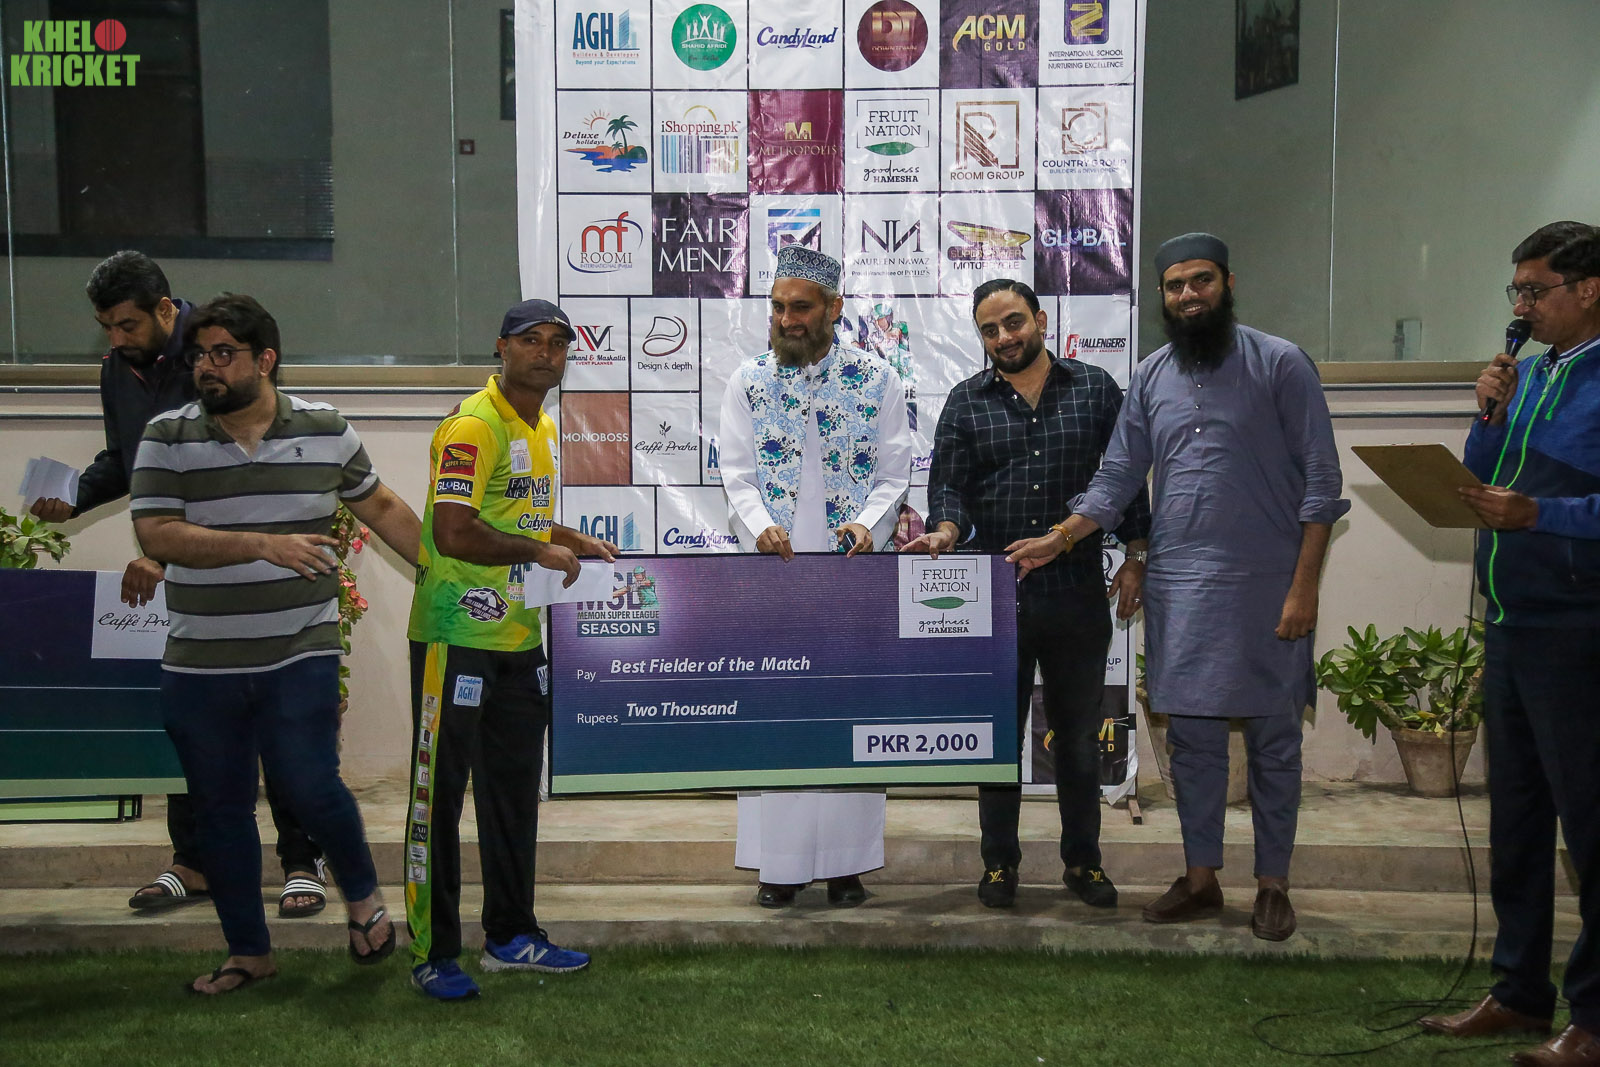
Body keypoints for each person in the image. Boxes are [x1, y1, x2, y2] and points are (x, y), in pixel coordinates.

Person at [1008, 233, 1347, 942]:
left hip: (1269, 586)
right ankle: (1200, 879)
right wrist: (1060, 537)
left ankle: (1273, 883)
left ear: (1228, 283)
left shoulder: (1281, 362)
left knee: (1274, 740)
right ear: (1161, 296)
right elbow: (1117, 477)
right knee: (1192, 742)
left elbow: (1322, 484)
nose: (1188, 295)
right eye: (1174, 285)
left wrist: (1305, 588)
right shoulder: (1151, 376)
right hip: (1181, 586)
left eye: (1201, 281)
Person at [129, 293, 422, 994]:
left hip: (300, 649)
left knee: (311, 784)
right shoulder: (166, 435)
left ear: (265, 360)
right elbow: (158, 534)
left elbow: (382, 507)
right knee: (220, 807)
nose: (206, 366)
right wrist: (263, 544)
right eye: (198, 355)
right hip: (201, 662)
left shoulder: (326, 429)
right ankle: (248, 952)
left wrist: (447, 574)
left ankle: (363, 899)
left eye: (223, 353)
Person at [31, 251, 327, 919]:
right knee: (197, 721)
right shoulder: (117, 368)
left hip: (259, 567)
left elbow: (247, 464)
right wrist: (73, 497)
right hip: (185, 577)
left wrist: (167, 556)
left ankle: (301, 861)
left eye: (128, 324)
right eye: (107, 327)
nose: (116, 338)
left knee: (277, 720)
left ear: (166, 309)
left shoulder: (219, 350)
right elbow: (128, 462)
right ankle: (194, 862)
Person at [902, 278, 1151, 909]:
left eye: (1013, 322)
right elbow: (948, 487)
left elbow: (1124, 480)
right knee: (997, 738)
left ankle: (1083, 863)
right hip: (993, 598)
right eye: (989, 330)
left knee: (1078, 739)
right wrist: (945, 530)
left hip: (1076, 592)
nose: (1004, 337)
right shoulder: (965, 401)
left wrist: (1137, 555)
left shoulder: (1095, 388)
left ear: (1040, 321)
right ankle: (999, 865)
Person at [1423, 222, 1600, 1067]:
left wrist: (1542, 514)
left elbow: (1539, 505)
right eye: (1517, 291)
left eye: (1536, 290)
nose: (1521, 306)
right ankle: (1521, 991)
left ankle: (1594, 1016)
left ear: (1590, 288)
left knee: (1591, 827)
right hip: (1511, 621)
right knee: (1518, 821)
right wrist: (1487, 411)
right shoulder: (1528, 374)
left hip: (1580, 628)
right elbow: (1484, 475)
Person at [404, 298, 615, 1001]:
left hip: (520, 637)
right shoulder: (475, 424)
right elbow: (454, 529)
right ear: (502, 347)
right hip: (455, 637)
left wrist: (569, 537)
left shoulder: (542, 424)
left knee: (513, 795)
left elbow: (516, 514)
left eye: (557, 343)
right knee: (438, 798)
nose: (545, 353)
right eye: (531, 340)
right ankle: (433, 952)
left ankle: (512, 935)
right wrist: (537, 549)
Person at [718, 245, 913, 908]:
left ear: (834, 308)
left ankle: (846, 866)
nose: (786, 319)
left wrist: (870, 524)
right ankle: (777, 866)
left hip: (851, 578)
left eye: (800, 307)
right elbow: (736, 473)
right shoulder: (747, 380)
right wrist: (756, 526)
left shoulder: (877, 379)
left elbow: (894, 472)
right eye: (778, 307)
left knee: (846, 711)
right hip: (772, 579)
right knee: (778, 712)